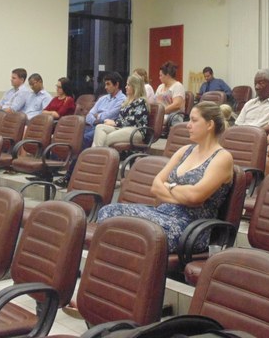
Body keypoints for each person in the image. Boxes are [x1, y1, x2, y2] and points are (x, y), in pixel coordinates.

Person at [97, 101, 234, 252]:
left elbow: (195, 196)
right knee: (108, 212)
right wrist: (182, 194)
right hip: (162, 213)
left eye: (194, 120)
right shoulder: (185, 150)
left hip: (191, 227)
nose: (188, 125)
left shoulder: (222, 158)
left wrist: (169, 186)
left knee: (141, 232)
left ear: (210, 125)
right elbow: (156, 186)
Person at [92, 74, 149, 148]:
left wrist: (115, 123)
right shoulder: (127, 101)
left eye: (128, 85)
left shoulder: (141, 101)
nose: (126, 87)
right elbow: (121, 118)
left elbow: (132, 120)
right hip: (122, 128)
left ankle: (97, 154)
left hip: (135, 131)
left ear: (135, 87)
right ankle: (96, 153)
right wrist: (112, 122)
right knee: (99, 127)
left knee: (107, 138)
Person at [234, 69, 269, 135]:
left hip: (258, 138)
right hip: (240, 137)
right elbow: (237, 125)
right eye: (255, 83)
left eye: (261, 83)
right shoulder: (249, 103)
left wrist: (247, 134)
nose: (256, 87)